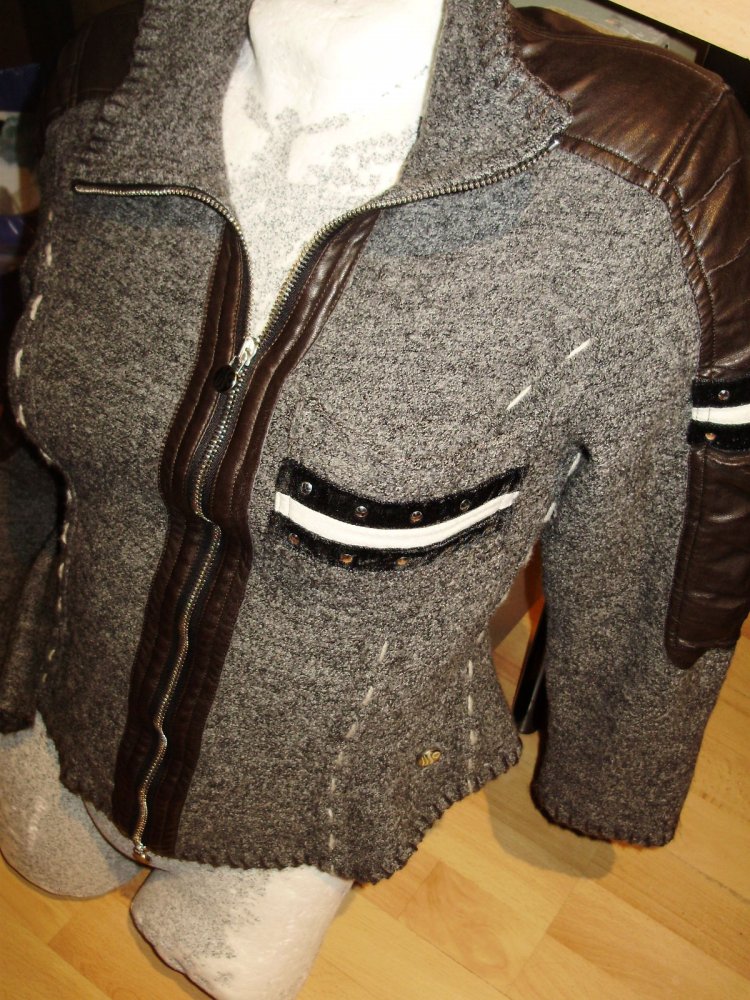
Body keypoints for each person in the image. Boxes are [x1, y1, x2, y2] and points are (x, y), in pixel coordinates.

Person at [1, 1, 749, 998]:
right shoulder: (102, 77)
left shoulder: (643, 169)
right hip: (66, 698)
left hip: (310, 799)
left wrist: (612, 766)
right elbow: (34, 438)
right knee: (47, 855)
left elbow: (673, 537)